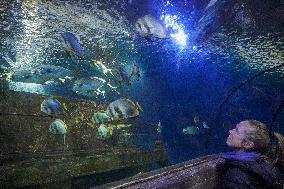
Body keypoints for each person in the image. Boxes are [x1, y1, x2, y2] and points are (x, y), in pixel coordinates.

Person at [216, 120, 284, 189]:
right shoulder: (266, 165)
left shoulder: (235, 176)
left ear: (248, 144)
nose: (230, 131)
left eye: (237, 131)